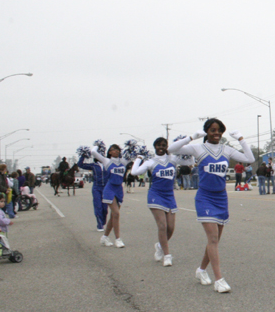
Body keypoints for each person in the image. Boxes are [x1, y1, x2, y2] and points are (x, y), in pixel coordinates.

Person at [167, 119, 254, 293]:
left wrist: (241, 139)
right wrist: (191, 137)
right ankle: (219, 280)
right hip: (205, 197)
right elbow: (171, 149)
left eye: (219, 130)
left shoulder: (226, 150)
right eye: (213, 130)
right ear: (206, 131)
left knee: (215, 241)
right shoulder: (198, 148)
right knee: (213, 239)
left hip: (221, 198)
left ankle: (201, 270)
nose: (216, 133)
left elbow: (249, 159)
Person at [131, 137, 182, 267]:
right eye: (158, 145)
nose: (161, 147)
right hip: (156, 195)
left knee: (171, 228)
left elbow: (190, 160)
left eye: (163, 145)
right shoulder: (150, 162)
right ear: (154, 147)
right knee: (162, 226)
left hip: (169, 196)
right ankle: (167, 255)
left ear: (167, 147)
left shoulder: (173, 160)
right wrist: (138, 159)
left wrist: (182, 146)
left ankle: (160, 245)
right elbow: (134, 172)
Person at [92, 143, 132, 248]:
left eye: (118, 149)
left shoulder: (123, 161)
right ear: (110, 152)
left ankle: (104, 237)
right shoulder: (107, 161)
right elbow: (93, 152)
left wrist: (132, 148)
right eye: (114, 150)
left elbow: (134, 156)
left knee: (113, 216)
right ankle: (118, 239)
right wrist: (97, 146)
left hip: (119, 189)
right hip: (109, 189)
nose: (116, 151)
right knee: (116, 214)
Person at [78, 144, 109, 231]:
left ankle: (103, 221)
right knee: (98, 206)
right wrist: (83, 155)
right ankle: (99, 225)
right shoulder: (93, 165)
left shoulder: (107, 164)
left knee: (105, 208)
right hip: (96, 188)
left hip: (106, 188)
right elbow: (80, 164)